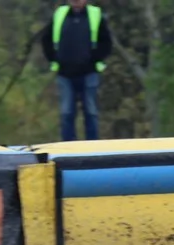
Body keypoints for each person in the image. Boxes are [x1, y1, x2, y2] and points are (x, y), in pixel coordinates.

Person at [40, 0, 113, 141]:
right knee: (66, 113)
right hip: (65, 73)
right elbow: (46, 39)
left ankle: (93, 146)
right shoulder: (59, 14)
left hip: (89, 72)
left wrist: (94, 58)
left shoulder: (95, 14)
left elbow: (106, 42)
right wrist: (55, 59)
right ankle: (68, 145)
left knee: (91, 112)